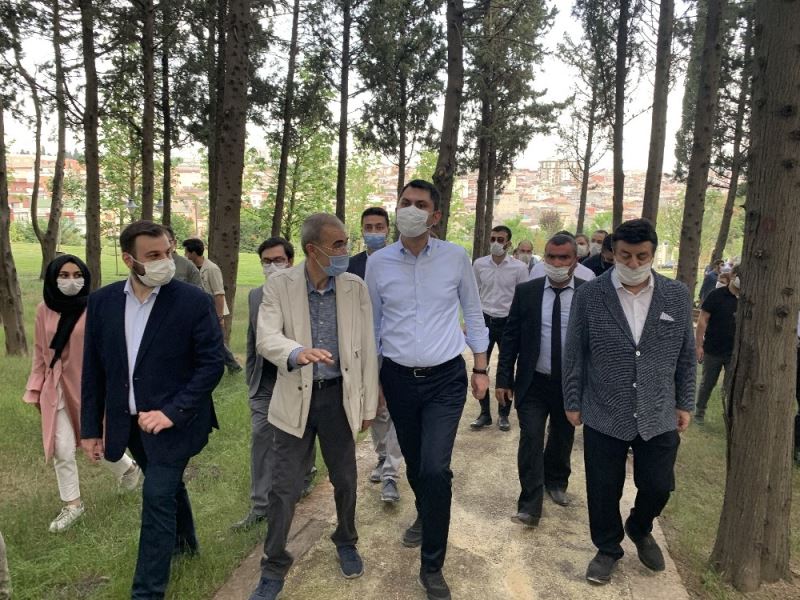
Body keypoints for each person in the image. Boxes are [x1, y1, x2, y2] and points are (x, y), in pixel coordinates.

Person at [81, 220, 224, 599]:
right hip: (129, 423)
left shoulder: (193, 302)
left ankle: (147, 591)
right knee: (168, 486)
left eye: (168, 253)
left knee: (157, 496)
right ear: (129, 260)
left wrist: (172, 412)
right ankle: (186, 545)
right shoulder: (102, 302)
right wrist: (90, 428)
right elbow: (93, 369)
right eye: (154, 255)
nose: (165, 261)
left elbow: (211, 365)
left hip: (177, 422)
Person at [365, 179, 489, 600]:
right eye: (405, 202)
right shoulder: (379, 263)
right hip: (399, 379)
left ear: (435, 216)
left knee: (436, 468)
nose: (410, 209)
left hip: (445, 380)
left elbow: (473, 311)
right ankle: (425, 510)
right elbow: (374, 325)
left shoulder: (455, 257)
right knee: (417, 466)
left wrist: (480, 366)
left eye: (420, 204)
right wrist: (375, 381)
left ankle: (432, 565)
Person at [249, 213, 379, 600]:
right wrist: (296, 352)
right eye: (337, 244)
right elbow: (265, 337)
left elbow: (367, 347)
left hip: (338, 398)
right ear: (312, 249)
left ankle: (346, 540)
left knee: (346, 480)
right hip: (295, 397)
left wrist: (368, 403)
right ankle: (274, 564)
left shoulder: (354, 286)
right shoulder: (280, 286)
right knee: (283, 487)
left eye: (345, 242)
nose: (345, 250)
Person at [563, 218, 695, 585]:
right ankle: (607, 548)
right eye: (625, 256)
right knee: (603, 488)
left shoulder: (676, 295)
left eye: (641, 256)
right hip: (604, 408)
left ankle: (639, 526)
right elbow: (574, 352)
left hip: (658, 409)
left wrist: (685, 402)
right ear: (612, 253)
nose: (633, 263)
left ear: (652, 255)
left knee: (659, 484)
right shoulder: (591, 295)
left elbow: (686, 354)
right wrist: (572, 400)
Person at [23, 255, 140, 533]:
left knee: (99, 439)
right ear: (53, 278)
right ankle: (73, 504)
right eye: (63, 275)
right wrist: (35, 388)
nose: (71, 281)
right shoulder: (43, 309)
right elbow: (41, 352)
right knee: (61, 448)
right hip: (55, 388)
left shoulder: (95, 308)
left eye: (77, 275)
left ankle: (127, 469)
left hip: (88, 387)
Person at [496, 233, 585, 528]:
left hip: (569, 384)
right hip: (533, 381)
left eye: (564, 258)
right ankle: (530, 505)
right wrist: (503, 378)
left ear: (575, 260)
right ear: (544, 258)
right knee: (531, 437)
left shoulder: (588, 294)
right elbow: (511, 337)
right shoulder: (528, 292)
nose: (557, 263)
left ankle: (556, 481)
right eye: (552, 257)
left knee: (562, 435)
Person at [231, 237, 317, 531]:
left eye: (278, 260)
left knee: (300, 434)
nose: (272, 266)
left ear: (290, 261)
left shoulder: (307, 294)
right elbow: (252, 341)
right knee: (261, 438)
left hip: (298, 380)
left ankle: (305, 476)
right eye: (266, 261)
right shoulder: (256, 296)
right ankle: (260, 506)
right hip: (265, 384)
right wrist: (251, 382)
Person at [347, 206, 404, 503]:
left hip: (395, 343)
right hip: (362, 345)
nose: (373, 232)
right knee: (375, 404)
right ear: (362, 230)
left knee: (395, 406)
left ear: (388, 229)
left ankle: (392, 472)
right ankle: (382, 456)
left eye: (379, 227)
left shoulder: (399, 261)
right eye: (368, 227)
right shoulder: (350, 265)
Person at [470, 224, 529, 431]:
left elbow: (524, 298)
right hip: (485, 320)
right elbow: (473, 294)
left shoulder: (519, 268)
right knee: (480, 367)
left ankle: (503, 414)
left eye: (500, 240)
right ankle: (484, 413)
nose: (495, 243)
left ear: (508, 243)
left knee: (506, 368)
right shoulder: (479, 264)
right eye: (493, 239)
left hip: (508, 322)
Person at [182, 237, 243, 374]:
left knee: (215, 341)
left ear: (193, 253)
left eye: (186, 251)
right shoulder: (190, 268)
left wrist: (219, 317)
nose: (185, 254)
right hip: (198, 310)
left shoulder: (211, 269)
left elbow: (219, 294)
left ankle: (233, 366)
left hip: (212, 310)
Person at [694, 268, 740, 423]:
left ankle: (730, 416)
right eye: (738, 276)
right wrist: (699, 345)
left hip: (734, 352)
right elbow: (702, 320)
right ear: (732, 276)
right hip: (713, 349)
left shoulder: (746, 300)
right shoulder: (716, 295)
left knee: (732, 386)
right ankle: (699, 412)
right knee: (708, 383)